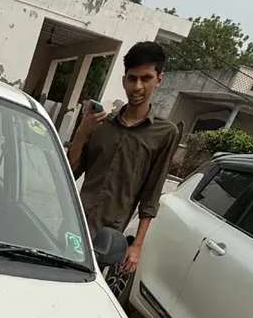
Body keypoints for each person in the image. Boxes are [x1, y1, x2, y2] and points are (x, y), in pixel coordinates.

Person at [68, 41, 179, 273]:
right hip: (73, 225)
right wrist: (81, 133)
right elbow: (70, 171)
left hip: (109, 240)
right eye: (132, 78)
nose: (137, 86)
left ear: (159, 79)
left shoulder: (165, 133)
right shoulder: (101, 125)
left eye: (146, 78)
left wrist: (137, 246)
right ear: (124, 80)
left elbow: (151, 194)